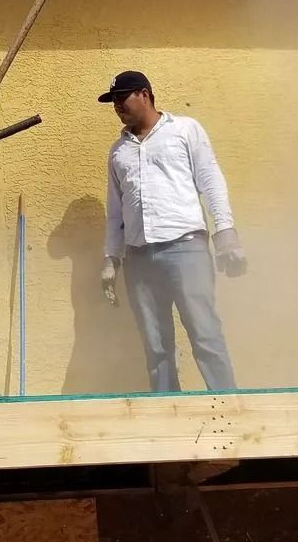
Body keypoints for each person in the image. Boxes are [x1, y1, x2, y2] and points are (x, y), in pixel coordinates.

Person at [98, 70, 245, 392]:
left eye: (123, 98)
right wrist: (111, 258)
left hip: (185, 248)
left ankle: (229, 405)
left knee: (204, 333)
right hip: (139, 257)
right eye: (114, 101)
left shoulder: (184, 130)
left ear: (145, 94)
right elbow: (115, 211)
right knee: (156, 345)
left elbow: (211, 182)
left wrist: (226, 234)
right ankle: (167, 408)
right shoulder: (118, 151)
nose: (118, 106)